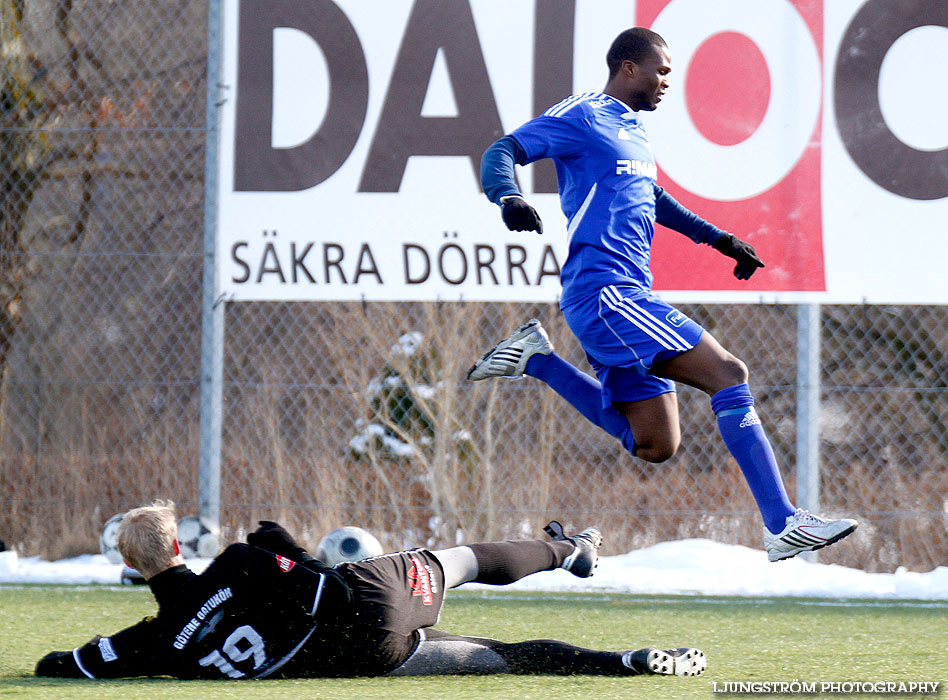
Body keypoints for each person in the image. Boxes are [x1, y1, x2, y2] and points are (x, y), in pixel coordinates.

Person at [470, 27, 857, 563]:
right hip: (608, 294)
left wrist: (719, 240)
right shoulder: (583, 114)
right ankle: (783, 523)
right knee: (728, 373)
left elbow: (651, 198)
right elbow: (503, 149)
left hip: (617, 297)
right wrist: (508, 196)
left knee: (655, 444)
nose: (667, 82)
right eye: (662, 70)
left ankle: (538, 361)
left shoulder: (632, 130)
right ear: (629, 67)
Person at [35, 501, 706, 679]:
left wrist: (76, 661)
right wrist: (285, 547)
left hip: (353, 657)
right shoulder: (236, 562)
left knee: (496, 656)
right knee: (466, 559)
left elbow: (66, 666)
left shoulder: (152, 643)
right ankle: (571, 550)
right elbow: (311, 579)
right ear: (180, 545)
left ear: (132, 570)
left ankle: (621, 664)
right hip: (364, 603)